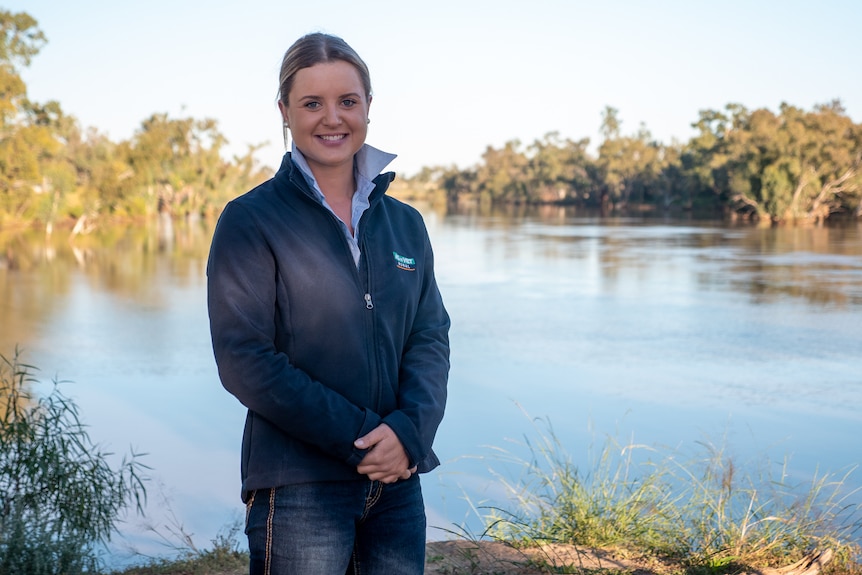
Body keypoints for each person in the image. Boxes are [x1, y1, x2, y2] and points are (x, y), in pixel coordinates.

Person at [206, 32, 450, 575]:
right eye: (311, 103)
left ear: (368, 106)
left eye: (347, 101)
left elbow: (429, 337)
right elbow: (244, 359)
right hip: (299, 488)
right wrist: (361, 439)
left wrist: (409, 434)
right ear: (284, 112)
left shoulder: (405, 223)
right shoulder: (249, 221)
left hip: (397, 485)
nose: (332, 118)